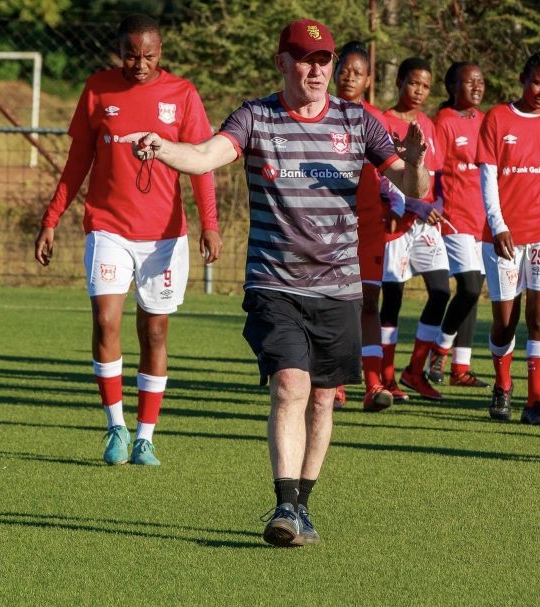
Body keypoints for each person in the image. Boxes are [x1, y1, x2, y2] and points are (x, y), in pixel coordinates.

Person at [123, 18, 430, 546]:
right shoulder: (255, 117)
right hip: (275, 283)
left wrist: (419, 163)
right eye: (306, 58)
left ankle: (303, 507)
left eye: (324, 60)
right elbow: (203, 156)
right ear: (282, 62)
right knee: (291, 384)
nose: (317, 69)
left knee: (324, 398)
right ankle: (284, 505)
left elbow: (407, 180)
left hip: (338, 286)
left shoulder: (358, 121)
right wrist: (162, 147)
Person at [34, 14, 222, 467]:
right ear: (120, 50)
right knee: (105, 321)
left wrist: (209, 223)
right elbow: (78, 160)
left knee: (154, 330)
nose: (139, 63)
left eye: (149, 55)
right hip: (108, 227)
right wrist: (52, 217)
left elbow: (200, 161)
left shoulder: (182, 94)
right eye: (131, 54)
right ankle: (116, 426)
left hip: (163, 236)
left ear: (161, 53)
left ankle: (146, 437)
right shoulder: (98, 89)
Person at [477, 50, 540, 425]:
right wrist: (499, 225)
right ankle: (503, 385)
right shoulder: (498, 118)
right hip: (504, 234)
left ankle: (535, 405)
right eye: (538, 82)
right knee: (505, 320)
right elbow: (487, 179)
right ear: (523, 78)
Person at [379, 57, 450, 402]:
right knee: (391, 300)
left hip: (425, 224)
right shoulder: (384, 121)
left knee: (440, 290)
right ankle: (386, 378)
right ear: (399, 82)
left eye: (425, 85)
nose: (419, 91)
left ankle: (414, 372)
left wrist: (434, 206)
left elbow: (433, 176)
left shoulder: (429, 125)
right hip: (397, 220)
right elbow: (382, 175)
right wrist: (411, 204)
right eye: (413, 83)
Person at [332, 40, 395, 412]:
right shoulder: (320, 114)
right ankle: (336, 384)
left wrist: (405, 204)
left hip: (370, 225)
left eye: (357, 72)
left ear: (368, 79)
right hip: (331, 226)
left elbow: (392, 175)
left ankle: (373, 385)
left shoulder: (375, 119)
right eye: (344, 70)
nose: (349, 77)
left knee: (369, 302)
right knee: (337, 305)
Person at [426, 61, 491, 389]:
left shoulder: (486, 121)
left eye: (480, 81)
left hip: (484, 221)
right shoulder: (444, 121)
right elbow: (433, 170)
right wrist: (433, 208)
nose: (478, 87)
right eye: (470, 82)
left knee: (474, 290)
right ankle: (438, 350)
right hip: (455, 217)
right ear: (453, 87)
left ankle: (460, 369)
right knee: (467, 287)